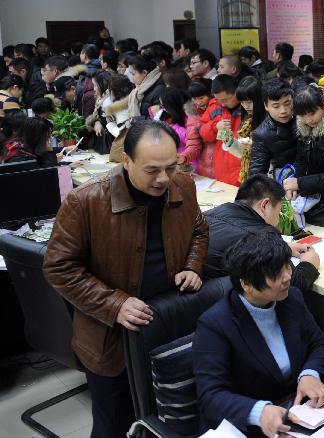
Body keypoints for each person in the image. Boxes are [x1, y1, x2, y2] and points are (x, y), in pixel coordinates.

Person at [43, 120, 208, 437]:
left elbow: (199, 229)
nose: (163, 179)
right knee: (114, 423)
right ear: (127, 161)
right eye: (152, 170)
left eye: (170, 167)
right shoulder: (86, 202)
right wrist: (114, 304)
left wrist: (192, 264)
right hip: (111, 339)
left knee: (166, 416)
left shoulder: (182, 185)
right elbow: (58, 267)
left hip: (166, 326)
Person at [193, 232, 324, 437]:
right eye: (276, 273)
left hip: (296, 414)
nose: (287, 276)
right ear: (246, 283)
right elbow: (211, 395)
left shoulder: (291, 298)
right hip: (247, 427)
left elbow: (320, 344)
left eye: (287, 265)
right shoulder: (214, 325)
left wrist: (309, 374)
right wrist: (259, 411)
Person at [204, 175, 321, 291]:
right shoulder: (264, 235)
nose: (278, 220)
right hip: (232, 302)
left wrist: (284, 248)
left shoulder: (211, 213)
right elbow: (292, 285)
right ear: (265, 205)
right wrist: (309, 264)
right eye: (278, 212)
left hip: (200, 297)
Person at [283, 85, 324, 227]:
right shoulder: (304, 130)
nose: (309, 120)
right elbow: (301, 162)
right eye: (303, 115)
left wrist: (300, 184)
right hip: (313, 193)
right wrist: (293, 186)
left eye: (312, 113)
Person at [200, 74, 244, 186]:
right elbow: (202, 133)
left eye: (225, 99)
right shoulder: (215, 106)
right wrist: (215, 127)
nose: (222, 103)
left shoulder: (247, 107)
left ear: (236, 92)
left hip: (241, 166)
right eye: (219, 100)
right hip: (221, 167)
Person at [249, 79, 296, 176]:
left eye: (287, 103)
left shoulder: (306, 117)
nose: (283, 110)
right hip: (285, 178)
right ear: (266, 106)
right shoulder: (261, 134)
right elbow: (257, 171)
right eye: (276, 106)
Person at [180, 79, 214, 175]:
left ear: (211, 94)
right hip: (205, 167)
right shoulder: (193, 115)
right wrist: (185, 156)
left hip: (223, 165)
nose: (198, 102)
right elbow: (193, 143)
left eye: (201, 98)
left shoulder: (221, 110)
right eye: (194, 99)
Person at [234, 77, 266, 182]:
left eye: (249, 101)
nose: (246, 106)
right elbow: (243, 153)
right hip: (249, 174)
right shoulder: (247, 121)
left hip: (266, 176)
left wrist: (256, 147)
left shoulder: (269, 120)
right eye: (242, 102)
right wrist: (229, 141)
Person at [126, 54, 165, 119]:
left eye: (133, 74)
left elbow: (160, 120)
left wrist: (137, 120)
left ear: (144, 72)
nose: (132, 78)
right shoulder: (140, 88)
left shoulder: (159, 90)